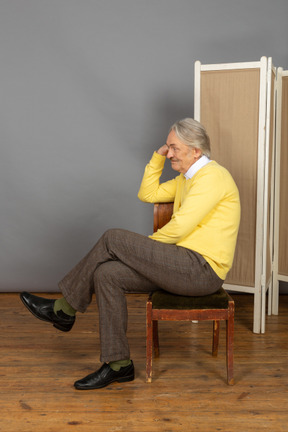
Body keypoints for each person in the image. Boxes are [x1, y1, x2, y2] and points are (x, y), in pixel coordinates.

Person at [20, 118, 241, 390]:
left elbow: (180, 226)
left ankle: (64, 309)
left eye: (173, 148)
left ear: (196, 151)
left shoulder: (213, 177)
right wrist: (157, 157)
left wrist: (139, 252)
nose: (169, 152)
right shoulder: (187, 179)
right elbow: (147, 193)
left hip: (201, 270)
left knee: (114, 238)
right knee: (106, 274)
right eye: (167, 147)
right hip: (180, 265)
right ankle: (118, 365)